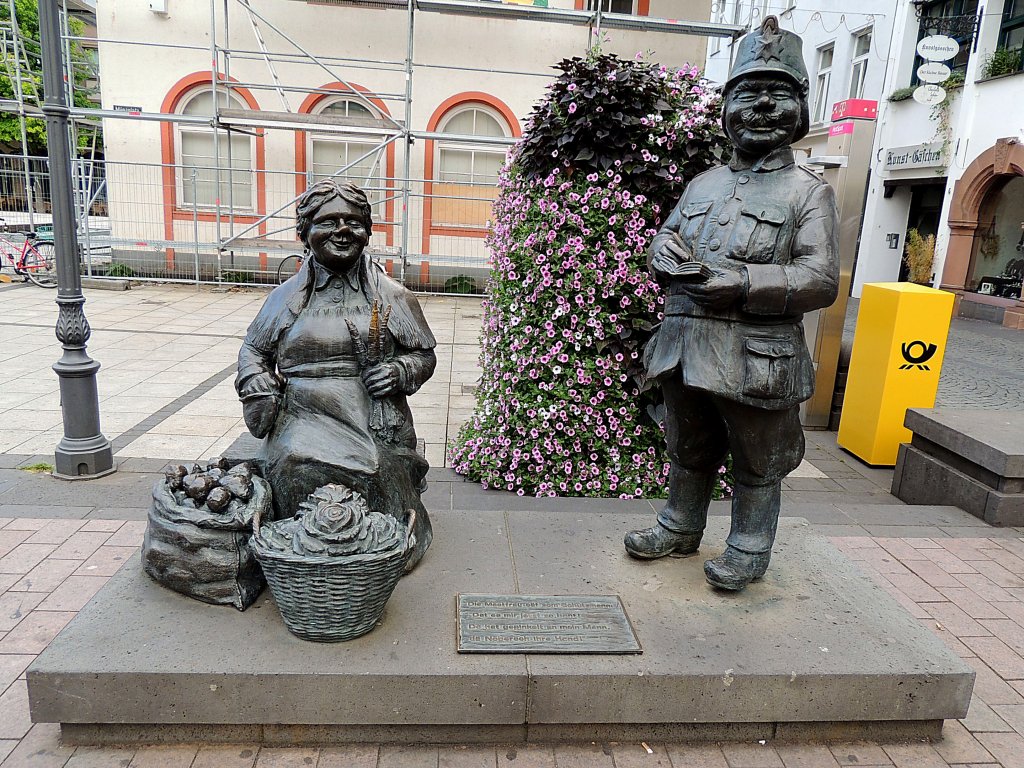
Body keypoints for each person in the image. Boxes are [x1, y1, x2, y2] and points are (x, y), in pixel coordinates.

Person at [623, 17, 839, 591]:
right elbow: (666, 234)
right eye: (748, 93)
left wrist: (743, 284)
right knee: (688, 445)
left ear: (801, 109)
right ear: (725, 109)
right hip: (686, 345)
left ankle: (748, 546)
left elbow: (819, 279)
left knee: (757, 459)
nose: (763, 106)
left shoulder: (809, 192)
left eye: (779, 94)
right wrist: (663, 251)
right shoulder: (703, 184)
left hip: (755, 354)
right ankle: (680, 524)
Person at [236, 179, 437, 570]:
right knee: (295, 461)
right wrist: (255, 379)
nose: (343, 230)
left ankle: (380, 547)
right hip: (300, 412)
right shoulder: (284, 298)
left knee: (377, 465)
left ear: (367, 232)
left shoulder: (392, 296)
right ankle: (302, 550)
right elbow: (253, 351)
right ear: (304, 232)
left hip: (371, 414)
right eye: (329, 221)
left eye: (353, 221)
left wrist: (399, 371)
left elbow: (423, 355)